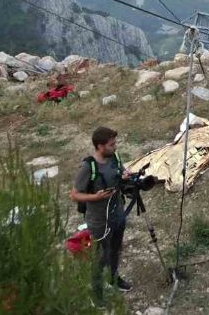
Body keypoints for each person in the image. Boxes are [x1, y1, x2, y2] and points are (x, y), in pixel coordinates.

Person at [69, 127, 132, 304]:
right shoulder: (88, 167)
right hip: (98, 221)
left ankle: (113, 278)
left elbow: (120, 172)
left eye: (115, 143)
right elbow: (74, 195)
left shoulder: (115, 157)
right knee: (100, 257)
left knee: (115, 249)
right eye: (111, 144)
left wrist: (125, 175)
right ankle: (96, 295)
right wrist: (94, 197)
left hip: (118, 214)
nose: (115, 147)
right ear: (100, 146)